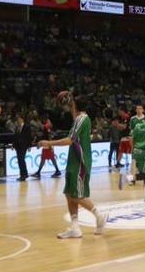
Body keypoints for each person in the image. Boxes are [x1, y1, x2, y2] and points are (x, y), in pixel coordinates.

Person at [39, 91, 108, 239]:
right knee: (69, 194)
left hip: (80, 161)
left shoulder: (82, 119)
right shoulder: (78, 118)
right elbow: (73, 116)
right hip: (73, 160)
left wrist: (49, 143)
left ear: (76, 105)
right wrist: (71, 105)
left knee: (77, 195)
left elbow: (70, 140)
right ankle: (75, 228)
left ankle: (99, 215)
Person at [14, 114, 33, 181]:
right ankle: (23, 175)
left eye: (19, 119)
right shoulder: (17, 127)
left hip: (23, 146)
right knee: (20, 160)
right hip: (18, 146)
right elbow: (15, 137)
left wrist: (29, 146)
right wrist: (13, 145)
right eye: (17, 119)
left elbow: (29, 137)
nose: (18, 120)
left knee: (21, 160)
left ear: (22, 119)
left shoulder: (27, 127)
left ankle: (24, 175)